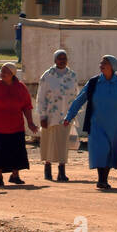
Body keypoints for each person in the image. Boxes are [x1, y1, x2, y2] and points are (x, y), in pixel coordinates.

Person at [65, 55, 117, 191]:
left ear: (113, 67)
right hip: (97, 124)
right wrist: (69, 116)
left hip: (115, 126)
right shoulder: (93, 83)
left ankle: (104, 179)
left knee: (110, 153)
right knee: (101, 151)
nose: (101, 64)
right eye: (101, 62)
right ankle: (101, 180)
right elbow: (79, 100)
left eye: (105, 62)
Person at [0, 61, 39, 187]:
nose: (2, 73)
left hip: (16, 127)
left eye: (5, 71)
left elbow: (26, 106)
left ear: (12, 74)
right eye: (1, 71)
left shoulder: (21, 87)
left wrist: (30, 122)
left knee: (16, 151)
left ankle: (15, 175)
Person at [36, 49, 80, 182]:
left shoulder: (72, 76)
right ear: (55, 60)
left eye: (64, 58)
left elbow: (76, 95)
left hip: (66, 115)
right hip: (50, 115)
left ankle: (62, 171)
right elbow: (41, 97)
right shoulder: (47, 75)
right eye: (60, 58)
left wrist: (73, 113)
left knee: (63, 143)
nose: (62, 61)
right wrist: (42, 116)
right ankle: (47, 169)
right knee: (48, 141)